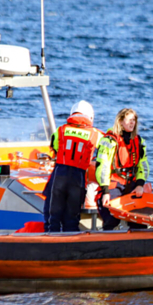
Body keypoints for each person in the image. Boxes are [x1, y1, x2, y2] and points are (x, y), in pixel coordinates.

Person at [43, 100, 103, 233]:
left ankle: (50, 240)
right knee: (71, 219)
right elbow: (107, 151)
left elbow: (55, 148)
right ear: (90, 117)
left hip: (60, 175)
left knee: (53, 217)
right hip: (78, 177)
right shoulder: (96, 134)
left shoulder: (61, 130)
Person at [95, 108, 150, 230]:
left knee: (140, 220)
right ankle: (106, 240)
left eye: (134, 120)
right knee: (111, 217)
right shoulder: (109, 141)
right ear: (120, 121)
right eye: (129, 120)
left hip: (132, 185)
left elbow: (143, 167)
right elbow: (102, 167)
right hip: (113, 185)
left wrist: (140, 184)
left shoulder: (138, 142)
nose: (132, 123)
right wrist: (105, 191)